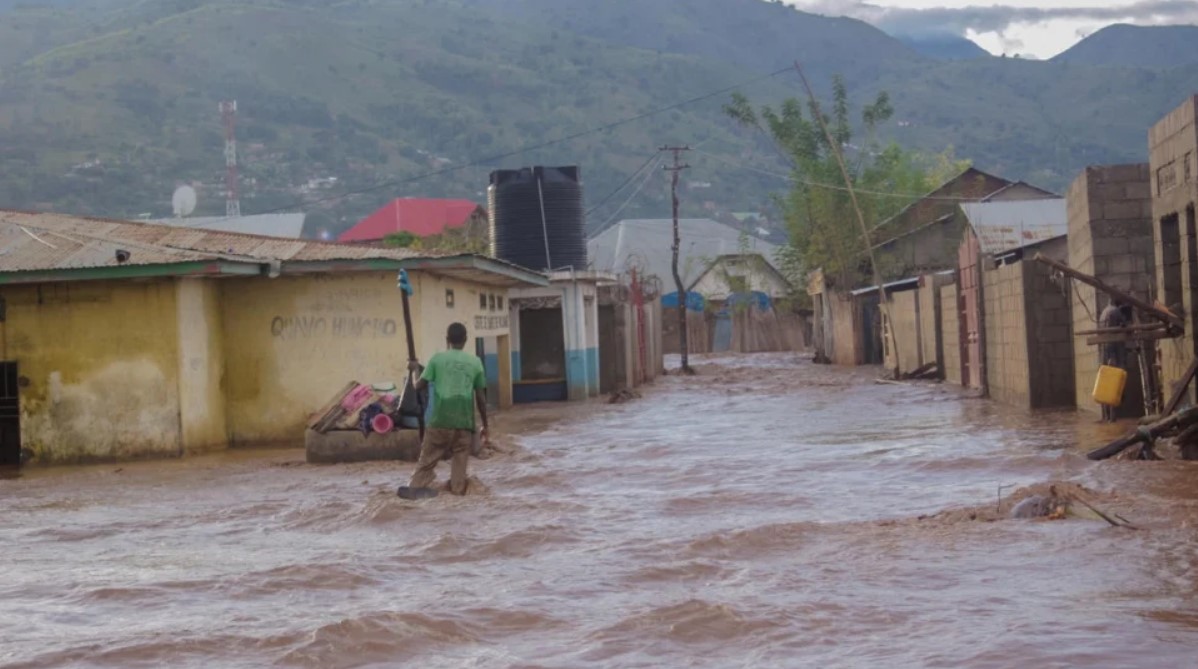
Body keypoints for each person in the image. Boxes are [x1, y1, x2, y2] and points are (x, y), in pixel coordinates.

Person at [405, 322, 488, 495]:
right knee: (459, 470)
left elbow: (418, 386)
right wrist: (485, 425)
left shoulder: (437, 359)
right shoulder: (476, 362)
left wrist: (414, 369)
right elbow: (481, 398)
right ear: (465, 340)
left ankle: (413, 492)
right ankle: (457, 494)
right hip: (464, 424)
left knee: (425, 464)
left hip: (439, 422)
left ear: (447, 339)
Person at [1098, 299, 1129, 423]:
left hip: (1104, 352)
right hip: (1113, 352)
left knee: (1104, 385)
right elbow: (1120, 329)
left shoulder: (1103, 312)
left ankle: (1106, 416)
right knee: (1114, 385)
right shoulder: (1115, 312)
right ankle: (1112, 417)